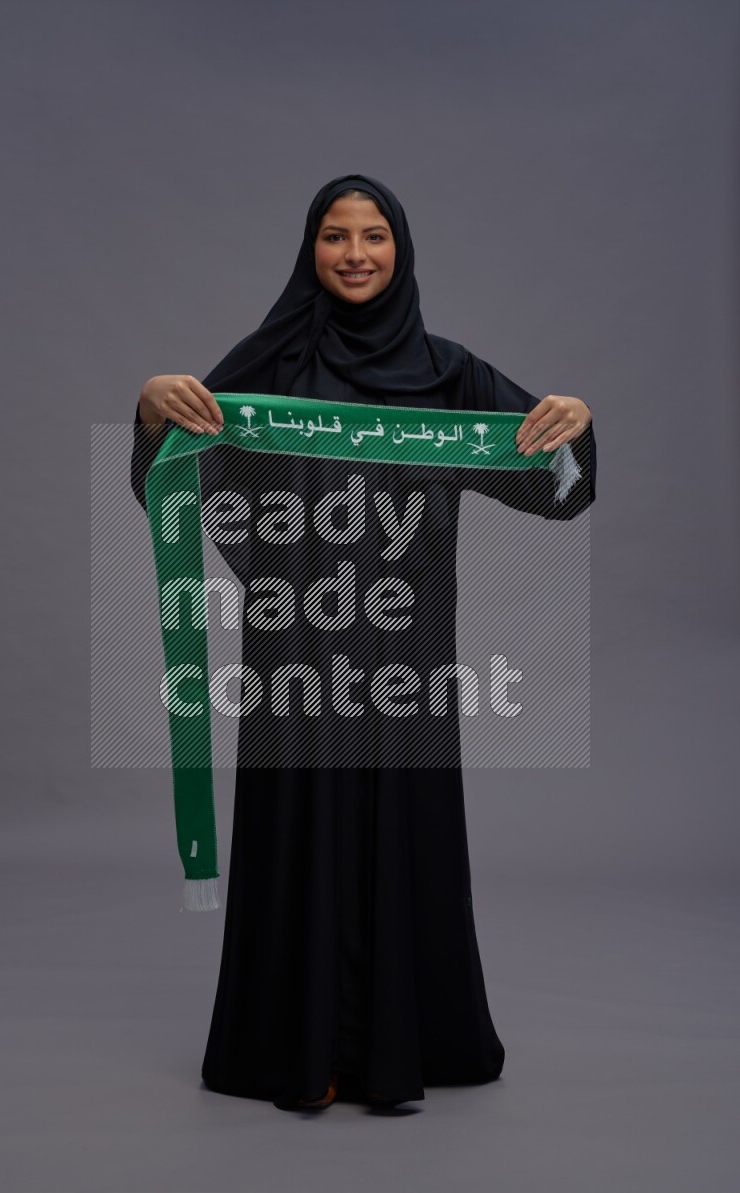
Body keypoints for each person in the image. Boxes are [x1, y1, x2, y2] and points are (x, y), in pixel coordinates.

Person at [130, 173, 595, 1111]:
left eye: (373, 235)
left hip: (406, 661)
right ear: (311, 249)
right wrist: (149, 409)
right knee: (298, 832)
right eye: (335, 236)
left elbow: (557, 487)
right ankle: (298, 1051)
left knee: (401, 835)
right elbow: (171, 475)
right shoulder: (266, 369)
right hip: (295, 654)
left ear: (400, 249)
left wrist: (572, 428)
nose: (354, 254)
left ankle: (396, 1048)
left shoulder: (448, 375)